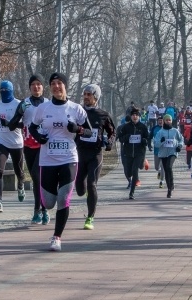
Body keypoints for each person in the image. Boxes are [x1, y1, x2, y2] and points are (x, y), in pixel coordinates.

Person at [28, 72, 88, 251]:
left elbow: (90, 132)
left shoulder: (76, 108)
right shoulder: (43, 109)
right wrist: (39, 137)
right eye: (53, 83)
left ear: (65, 86)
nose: (56, 86)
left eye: (59, 83)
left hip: (69, 158)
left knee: (63, 199)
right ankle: (47, 205)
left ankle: (57, 237)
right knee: (48, 202)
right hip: (47, 160)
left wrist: (77, 128)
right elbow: (32, 127)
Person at [8, 74, 49, 224]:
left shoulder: (48, 103)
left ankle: (38, 211)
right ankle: (44, 209)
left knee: (38, 178)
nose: (36, 87)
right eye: (33, 85)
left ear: (43, 87)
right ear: (30, 87)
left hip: (43, 145)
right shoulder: (24, 103)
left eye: (39, 84)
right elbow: (12, 125)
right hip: (28, 146)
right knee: (36, 179)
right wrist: (19, 112)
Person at [74, 83, 116, 230]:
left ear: (96, 97)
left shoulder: (103, 115)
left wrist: (109, 143)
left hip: (95, 155)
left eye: (89, 95)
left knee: (92, 185)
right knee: (80, 189)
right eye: (84, 94)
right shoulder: (78, 112)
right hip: (79, 153)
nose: (85, 97)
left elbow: (112, 132)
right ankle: (86, 192)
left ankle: (90, 217)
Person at [0, 80, 24, 214]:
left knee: (19, 171)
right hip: (1, 142)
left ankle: (21, 185)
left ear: (11, 91)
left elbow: (23, 124)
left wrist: (9, 124)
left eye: (6, 91)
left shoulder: (18, 104)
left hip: (16, 142)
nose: (4, 93)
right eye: (1, 91)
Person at [117, 107, 149, 199]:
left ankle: (132, 192)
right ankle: (142, 164)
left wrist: (144, 140)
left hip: (139, 152)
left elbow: (147, 138)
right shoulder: (126, 127)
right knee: (128, 172)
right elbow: (120, 138)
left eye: (136, 115)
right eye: (133, 115)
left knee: (135, 171)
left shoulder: (143, 127)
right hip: (128, 152)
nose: (135, 117)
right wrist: (126, 137)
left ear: (139, 117)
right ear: (130, 117)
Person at [154, 114, 184, 198]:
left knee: (168, 167)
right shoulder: (160, 132)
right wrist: (161, 141)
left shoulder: (175, 131)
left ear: (171, 121)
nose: (168, 121)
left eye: (169, 120)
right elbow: (156, 144)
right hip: (163, 154)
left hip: (172, 152)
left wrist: (179, 146)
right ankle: (169, 186)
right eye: (166, 120)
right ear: (164, 121)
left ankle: (170, 189)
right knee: (166, 170)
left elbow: (181, 139)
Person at [149, 116, 164, 187]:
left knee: (163, 166)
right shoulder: (154, 128)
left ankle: (161, 181)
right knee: (156, 167)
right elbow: (150, 137)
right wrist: (149, 145)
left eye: (161, 120)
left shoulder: (166, 128)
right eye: (159, 120)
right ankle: (159, 172)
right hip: (156, 150)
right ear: (157, 121)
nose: (160, 122)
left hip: (165, 151)